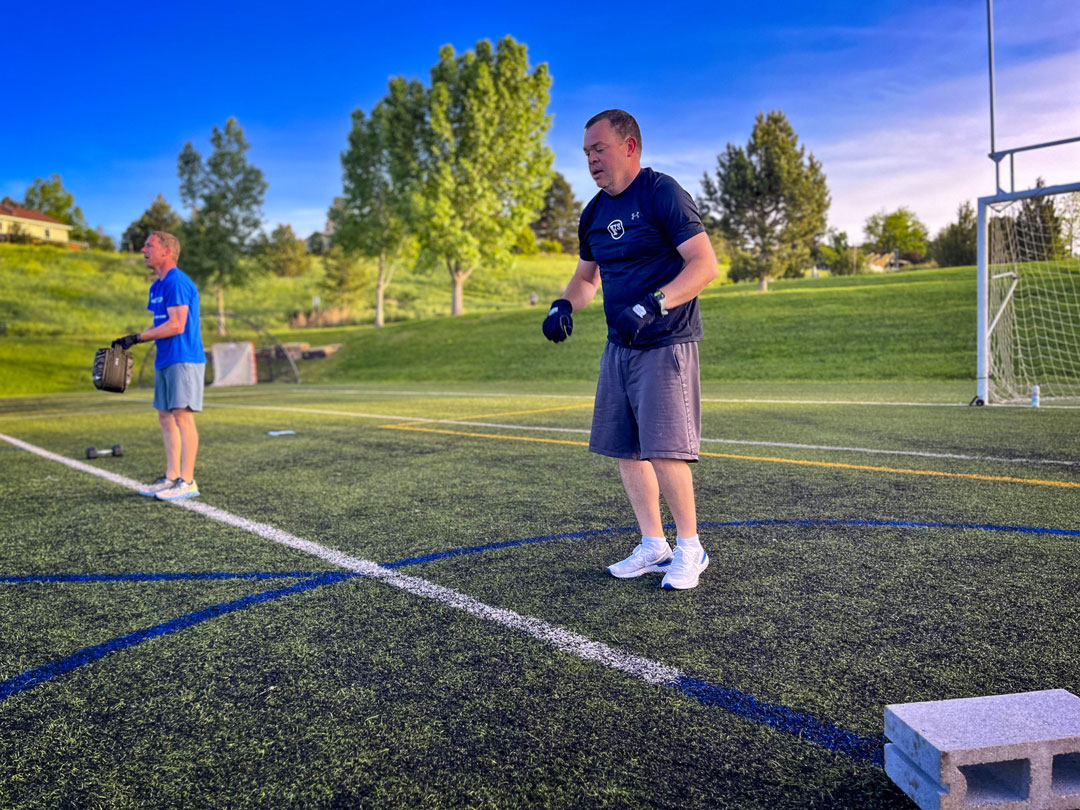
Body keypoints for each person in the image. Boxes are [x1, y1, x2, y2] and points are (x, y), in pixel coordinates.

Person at [543, 110, 718, 590]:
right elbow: (586, 278)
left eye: (598, 149)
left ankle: (690, 548)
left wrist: (651, 306)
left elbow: (704, 265)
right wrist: (564, 305)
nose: (591, 160)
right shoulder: (594, 212)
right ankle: (653, 545)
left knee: (665, 451)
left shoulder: (661, 192)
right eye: (586, 153)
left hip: (665, 342)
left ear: (630, 147)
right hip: (618, 346)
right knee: (627, 449)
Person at [113, 231, 205, 501]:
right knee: (165, 417)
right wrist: (131, 340)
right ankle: (171, 477)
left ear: (166, 251)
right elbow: (160, 325)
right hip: (165, 358)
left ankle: (187, 480)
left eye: (149, 245)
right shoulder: (156, 286)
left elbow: (177, 325)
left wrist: (137, 337)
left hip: (184, 358)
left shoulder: (176, 281)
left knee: (182, 416)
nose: (143, 250)